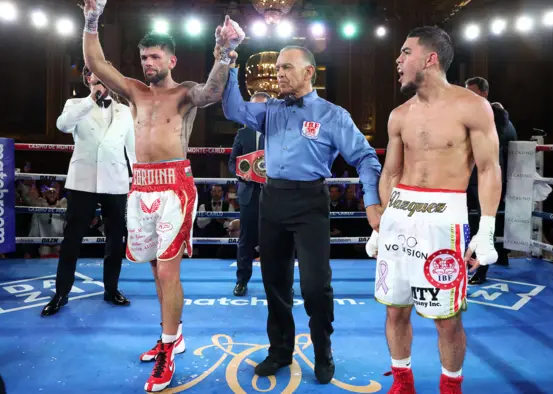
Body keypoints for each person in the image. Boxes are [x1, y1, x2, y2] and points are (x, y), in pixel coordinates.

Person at [80, 0, 245, 392]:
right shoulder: (135, 92)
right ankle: (174, 334)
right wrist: (91, 19)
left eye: (155, 57)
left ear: (171, 59)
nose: (148, 63)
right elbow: (97, 63)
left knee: (169, 271)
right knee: (156, 271)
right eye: (143, 57)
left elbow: (212, 92)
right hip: (141, 188)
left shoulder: (184, 93)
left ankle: (169, 350)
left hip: (175, 188)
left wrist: (224, 53)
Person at [221, 45, 382, 384]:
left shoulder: (332, 115)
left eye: (286, 67)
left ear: (309, 72)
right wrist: (229, 63)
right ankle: (280, 350)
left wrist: (370, 201)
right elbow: (233, 108)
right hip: (273, 199)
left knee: (314, 286)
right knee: (274, 283)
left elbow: (366, 158)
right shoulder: (270, 110)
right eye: (277, 67)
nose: (278, 73)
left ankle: (323, 350)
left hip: (310, 202)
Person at [365, 26, 501, 394]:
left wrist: (486, 228)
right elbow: (391, 172)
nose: (398, 59)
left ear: (430, 58)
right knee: (394, 309)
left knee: (447, 318)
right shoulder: (398, 115)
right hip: (399, 214)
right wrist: (382, 225)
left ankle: (450, 388)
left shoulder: (471, 106)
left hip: (444, 215)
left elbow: (489, 168)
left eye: (405, 52)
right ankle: (403, 383)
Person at [40, 65, 136, 316]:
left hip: (115, 181)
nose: (100, 80)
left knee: (116, 239)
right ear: (87, 79)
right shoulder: (75, 104)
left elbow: (132, 148)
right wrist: (91, 98)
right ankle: (61, 292)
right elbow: (62, 125)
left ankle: (111, 288)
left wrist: (138, 178)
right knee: (72, 238)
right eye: (94, 75)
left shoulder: (125, 110)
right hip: (83, 182)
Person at [465, 77, 518, 283]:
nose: (468, 96)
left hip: (488, 180)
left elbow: (506, 137)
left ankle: (482, 270)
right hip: (470, 180)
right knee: (472, 222)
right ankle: (490, 257)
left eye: (473, 92)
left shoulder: (497, 116)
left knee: (484, 224)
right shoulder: (468, 115)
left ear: (484, 93)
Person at [227, 91, 270, 296]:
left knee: (276, 240)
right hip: (249, 194)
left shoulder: (277, 132)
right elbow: (231, 163)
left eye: (262, 106)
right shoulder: (242, 134)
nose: (257, 111)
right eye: (253, 107)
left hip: (274, 195)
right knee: (246, 240)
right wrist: (242, 172)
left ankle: (278, 283)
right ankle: (241, 281)